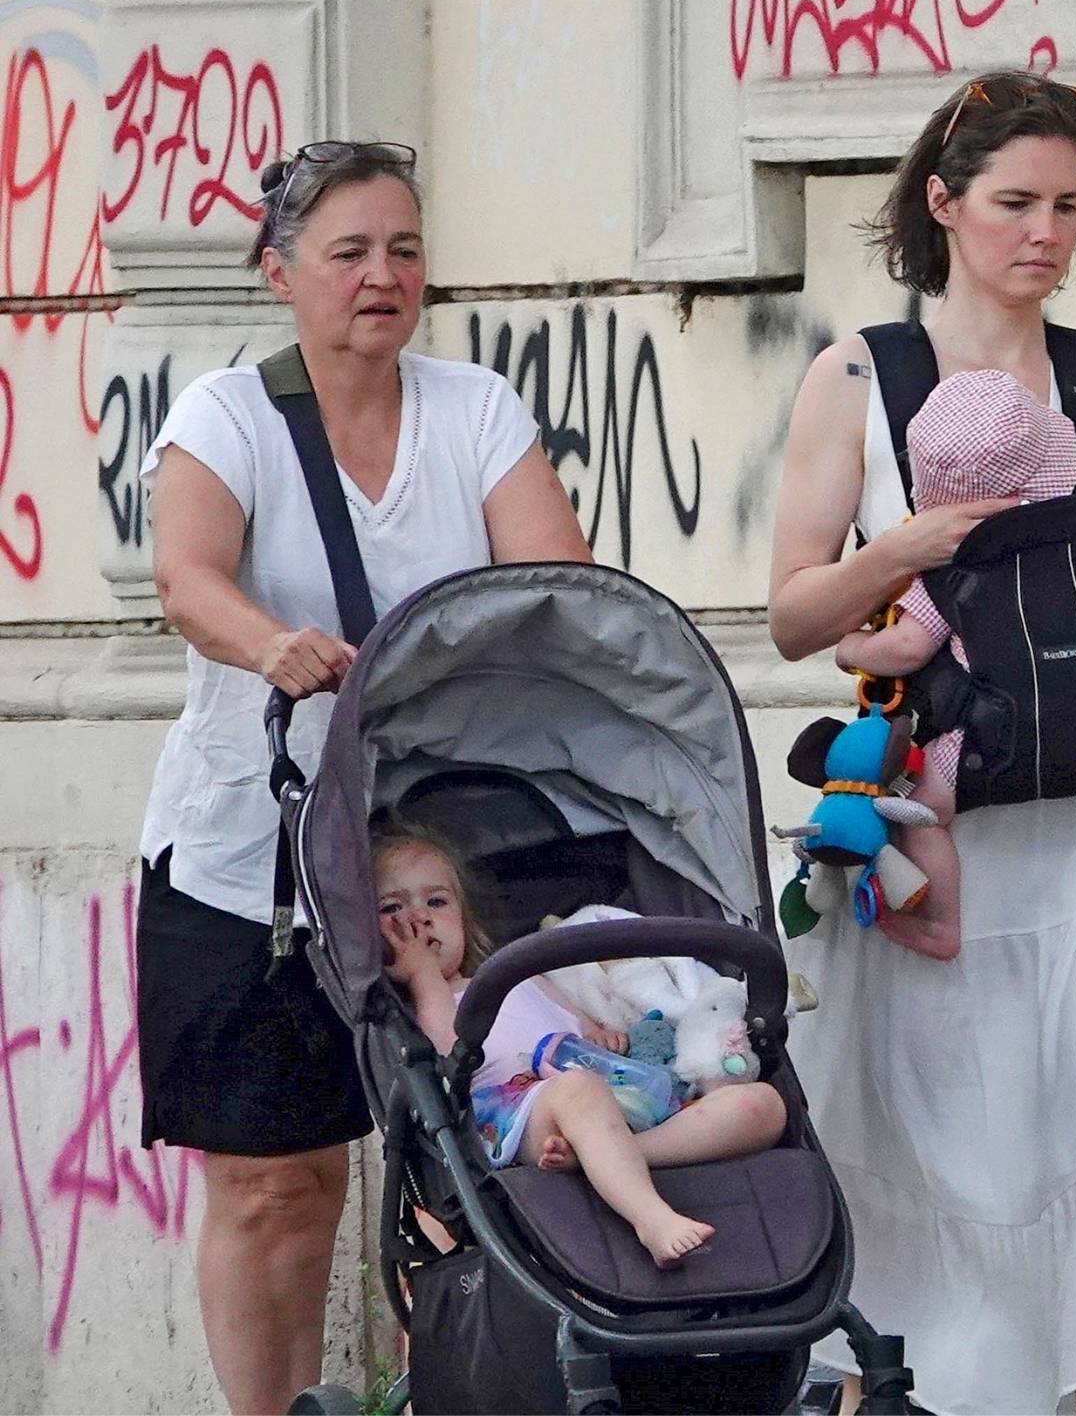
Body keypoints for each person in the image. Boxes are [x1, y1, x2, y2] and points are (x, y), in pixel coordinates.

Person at [770, 71, 1076, 1415]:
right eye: (1015, 203)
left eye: (1068, 207)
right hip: (939, 846)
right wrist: (908, 548)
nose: (1045, 233)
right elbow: (793, 617)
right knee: (940, 1163)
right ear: (945, 202)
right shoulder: (858, 377)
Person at [136, 140, 595, 1415]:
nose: (382, 274)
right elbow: (188, 576)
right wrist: (269, 643)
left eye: (404, 247)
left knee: (476, 1163)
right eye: (348, 252)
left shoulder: (477, 411)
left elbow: (554, 584)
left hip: (436, 859)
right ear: (279, 273)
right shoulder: (225, 417)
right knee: (279, 1182)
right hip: (255, 859)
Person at [833, 367, 1076, 960]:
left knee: (920, 811)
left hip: (987, 744)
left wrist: (849, 648)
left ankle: (944, 924)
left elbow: (906, 650)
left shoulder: (947, 565)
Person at [373, 826, 787, 1268]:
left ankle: (619, 1154)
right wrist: (421, 974)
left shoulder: (514, 972)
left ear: (464, 918)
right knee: (578, 1090)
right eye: (393, 908)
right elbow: (450, 1047)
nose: (419, 918)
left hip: (615, 1090)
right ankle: (651, 1218)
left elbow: (568, 1015)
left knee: (762, 1105)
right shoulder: (422, 1006)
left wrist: (594, 1031)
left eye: (436, 901)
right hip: (521, 1111)